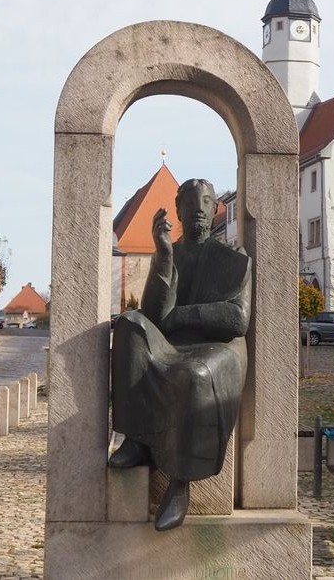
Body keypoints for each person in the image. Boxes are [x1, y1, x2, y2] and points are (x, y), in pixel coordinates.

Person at [108, 178, 251, 531]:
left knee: (194, 376)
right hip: (172, 343)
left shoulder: (232, 259)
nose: (198, 209)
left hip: (217, 347)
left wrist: (185, 315)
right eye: (190, 202)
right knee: (128, 325)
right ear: (178, 210)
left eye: (205, 201)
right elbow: (154, 314)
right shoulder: (170, 252)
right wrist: (164, 256)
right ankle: (137, 439)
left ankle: (180, 483)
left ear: (216, 207)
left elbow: (238, 318)